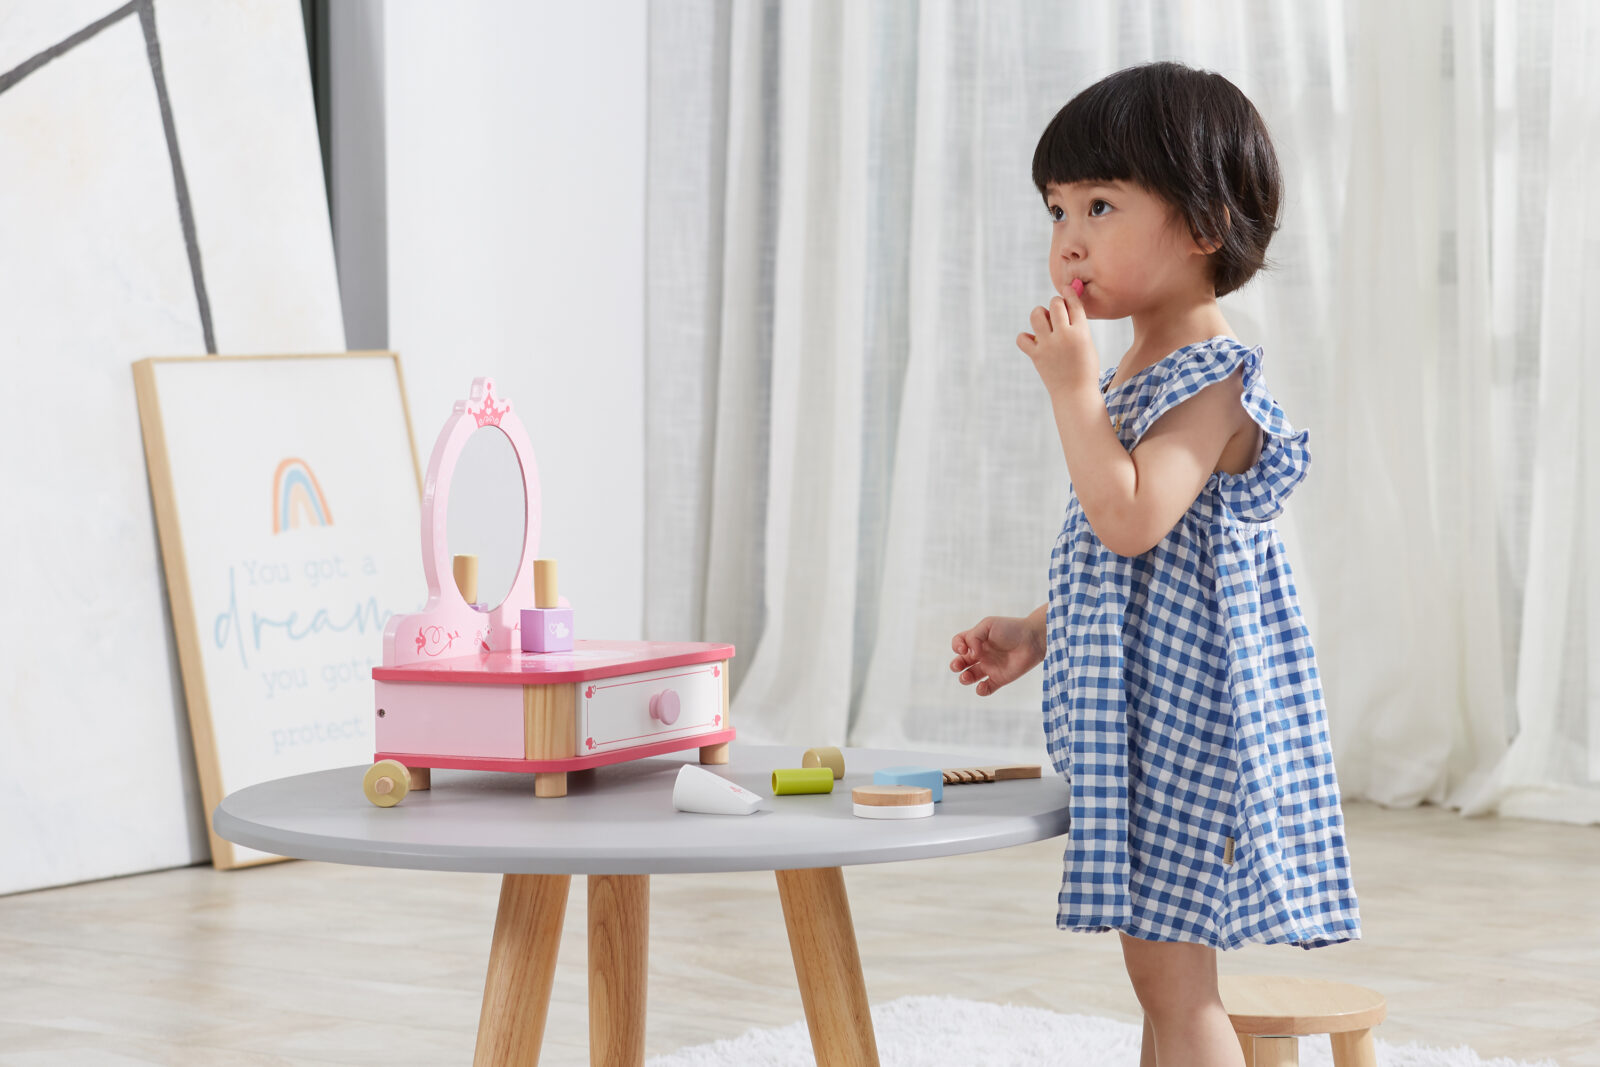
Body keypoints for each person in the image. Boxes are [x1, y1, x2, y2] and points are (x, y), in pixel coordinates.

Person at [948, 62, 1361, 1067]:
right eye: (1055, 209)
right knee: (1156, 973)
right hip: (1149, 704)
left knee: (1176, 984)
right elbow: (1133, 560)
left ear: (1206, 223)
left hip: (1193, 717)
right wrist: (1037, 630)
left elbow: (1130, 517)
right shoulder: (1137, 361)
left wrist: (1069, 391)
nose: (1068, 239)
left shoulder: (1212, 375)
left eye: (1100, 203)